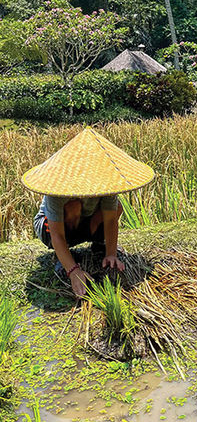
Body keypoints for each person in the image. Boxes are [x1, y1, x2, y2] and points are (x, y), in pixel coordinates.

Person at [22, 127, 155, 297]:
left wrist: (111, 253)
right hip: (52, 228)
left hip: (84, 222)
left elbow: (111, 220)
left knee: (117, 207)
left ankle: (99, 244)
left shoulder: (107, 183)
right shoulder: (57, 188)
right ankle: (64, 256)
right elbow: (56, 235)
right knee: (73, 207)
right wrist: (73, 270)